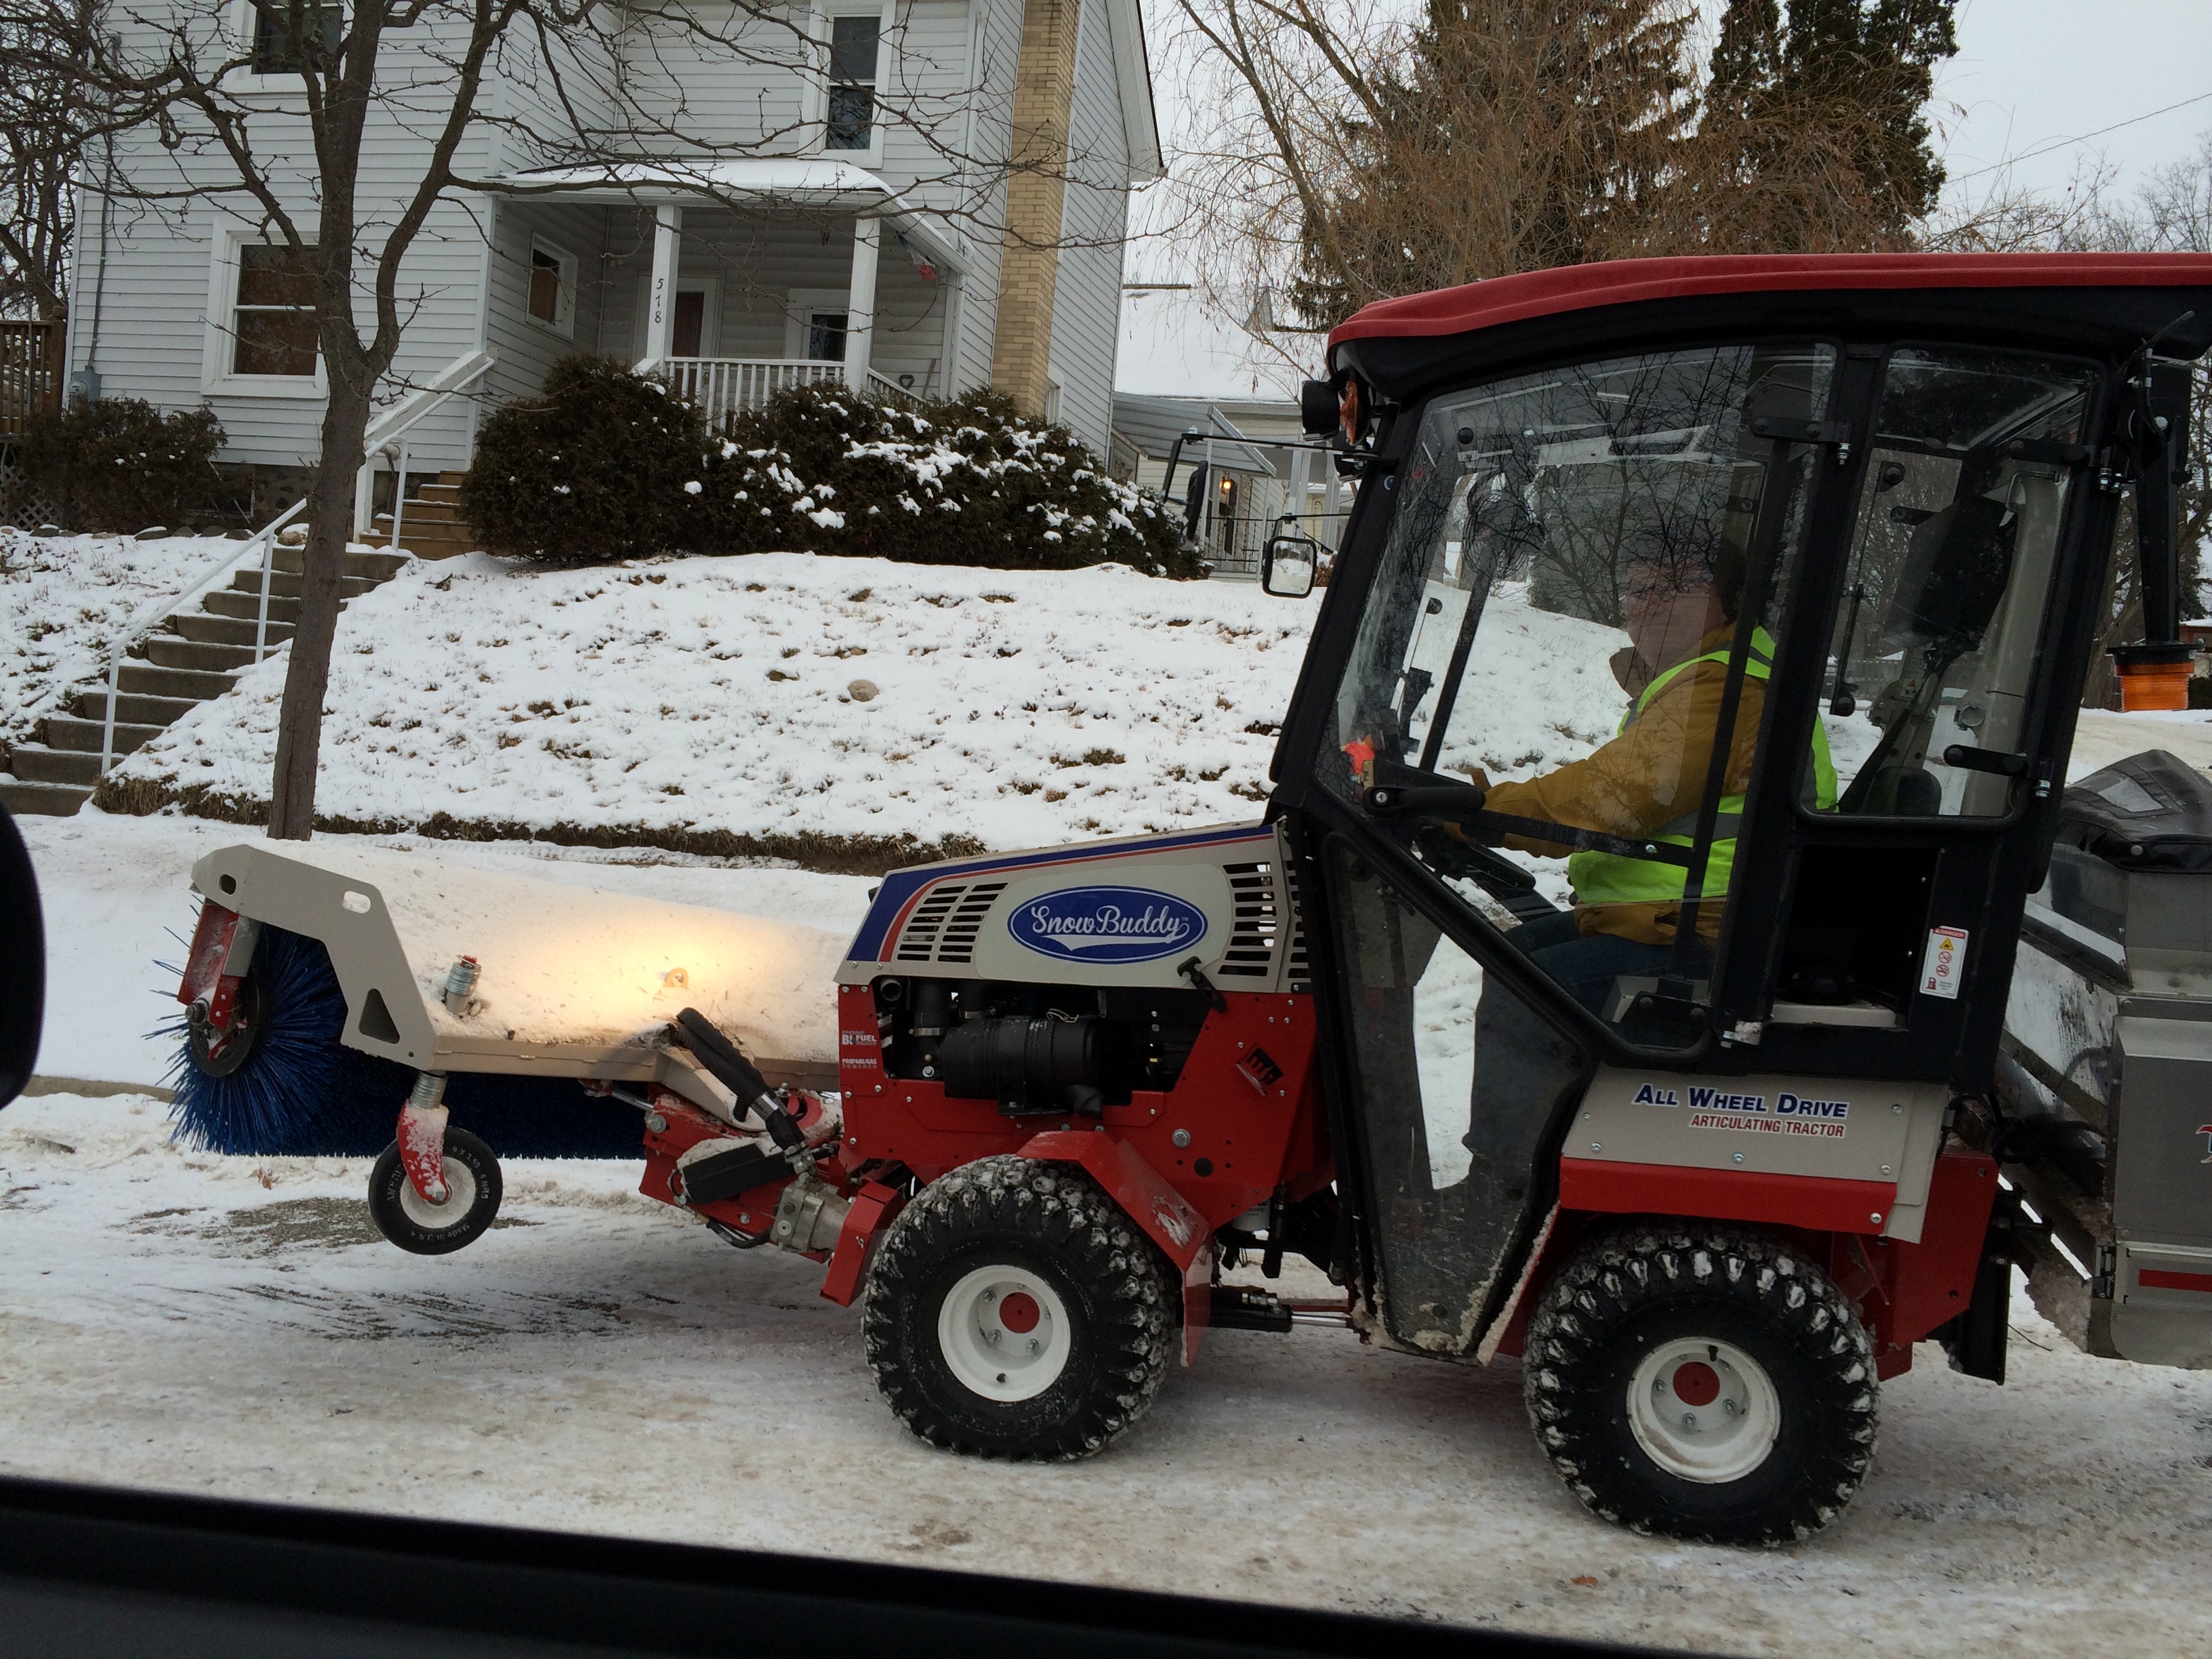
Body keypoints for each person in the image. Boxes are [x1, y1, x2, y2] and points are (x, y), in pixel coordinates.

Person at [1459, 541, 1836, 1017]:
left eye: (1676, 588)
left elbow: (1614, 795)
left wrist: (1479, 813)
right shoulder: (1696, 679)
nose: (1649, 605)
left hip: (1711, 927)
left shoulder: (1729, 688)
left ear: (1729, 602)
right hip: (1663, 915)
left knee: (1521, 993)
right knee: (1508, 957)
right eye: (1638, 591)